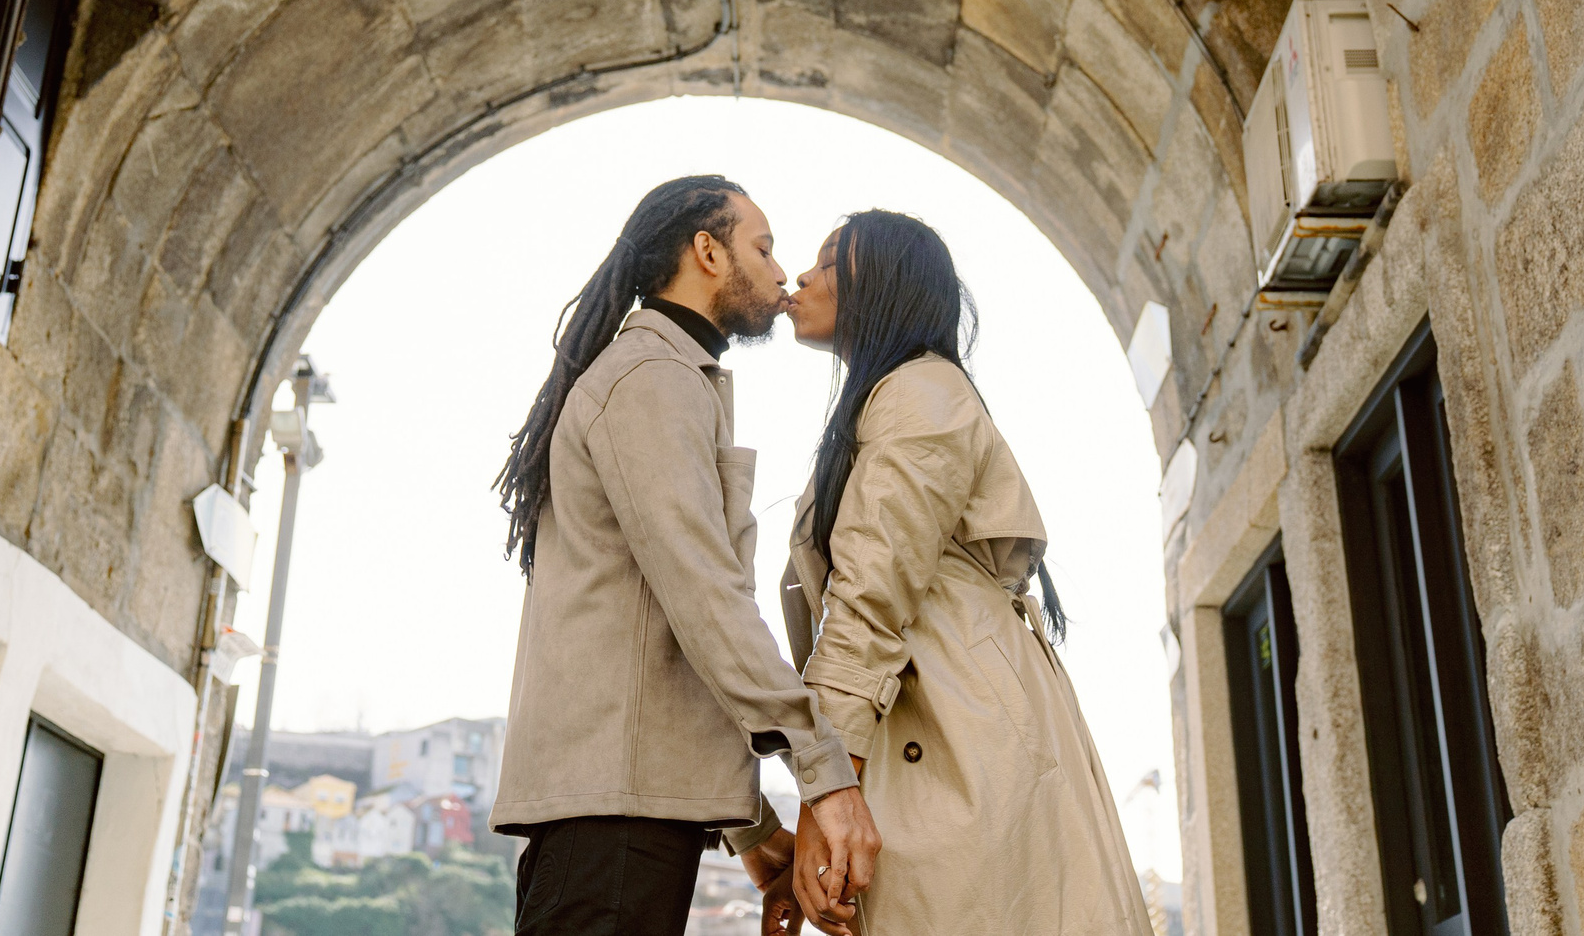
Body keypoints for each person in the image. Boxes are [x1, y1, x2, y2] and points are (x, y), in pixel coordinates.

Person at [490, 175, 882, 936]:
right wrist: (825, 770)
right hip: (613, 826)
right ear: (707, 249)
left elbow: (665, 633)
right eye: (762, 247)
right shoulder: (652, 379)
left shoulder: (664, 377)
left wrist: (751, 828)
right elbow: (706, 597)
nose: (781, 270)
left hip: (619, 818)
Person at [764, 210, 1154, 936]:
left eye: (826, 261)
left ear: (879, 283)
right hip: (935, 723)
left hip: (957, 736)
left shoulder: (920, 391)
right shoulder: (899, 395)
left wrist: (828, 787)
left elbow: (871, 592)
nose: (800, 277)